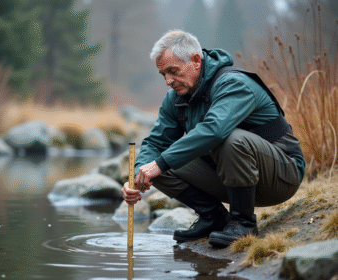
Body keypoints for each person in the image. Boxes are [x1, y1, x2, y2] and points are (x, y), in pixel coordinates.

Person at [121, 29, 305, 248]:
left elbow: (215, 130)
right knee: (155, 163)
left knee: (230, 139)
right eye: (163, 74)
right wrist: (137, 177)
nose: (168, 81)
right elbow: (155, 143)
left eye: (173, 71)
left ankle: (242, 223)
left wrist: (159, 164)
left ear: (196, 61)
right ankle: (214, 217)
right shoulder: (176, 99)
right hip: (232, 179)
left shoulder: (234, 83)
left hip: (281, 178)